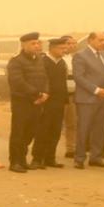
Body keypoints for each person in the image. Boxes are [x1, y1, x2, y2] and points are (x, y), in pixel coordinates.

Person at [5, 32, 49, 173]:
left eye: (37, 43)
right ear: (23, 45)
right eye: (33, 43)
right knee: (19, 132)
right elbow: (18, 82)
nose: (36, 46)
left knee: (30, 133)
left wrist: (45, 93)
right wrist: (37, 94)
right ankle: (15, 162)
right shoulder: (16, 61)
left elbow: (45, 78)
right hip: (22, 102)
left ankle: (23, 160)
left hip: (37, 102)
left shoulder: (39, 60)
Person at [72, 31, 104, 168]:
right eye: (100, 40)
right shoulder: (80, 55)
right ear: (90, 40)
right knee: (84, 129)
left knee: (100, 129)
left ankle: (96, 157)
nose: (103, 43)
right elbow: (79, 77)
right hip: (87, 99)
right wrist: (97, 90)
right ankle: (79, 158)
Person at [33, 37, 69, 168]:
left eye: (65, 48)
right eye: (61, 48)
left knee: (55, 131)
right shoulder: (43, 62)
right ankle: (37, 159)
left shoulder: (62, 63)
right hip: (46, 102)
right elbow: (40, 82)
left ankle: (50, 158)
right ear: (52, 48)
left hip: (59, 102)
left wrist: (65, 99)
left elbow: (63, 82)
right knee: (43, 131)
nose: (64, 50)